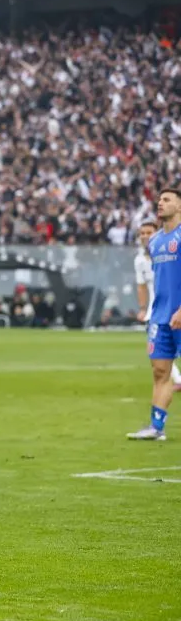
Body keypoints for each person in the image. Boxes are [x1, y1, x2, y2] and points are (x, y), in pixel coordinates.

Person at [129, 189, 181, 441]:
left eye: (167, 200)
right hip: (160, 317)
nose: (160, 203)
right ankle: (156, 427)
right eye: (159, 200)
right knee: (160, 371)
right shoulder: (155, 241)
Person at [134, 221, 181, 389]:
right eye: (142, 233)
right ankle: (177, 380)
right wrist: (142, 308)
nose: (145, 236)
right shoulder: (139, 260)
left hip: (176, 307)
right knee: (157, 353)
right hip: (156, 312)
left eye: (149, 232)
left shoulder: (173, 249)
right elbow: (141, 286)